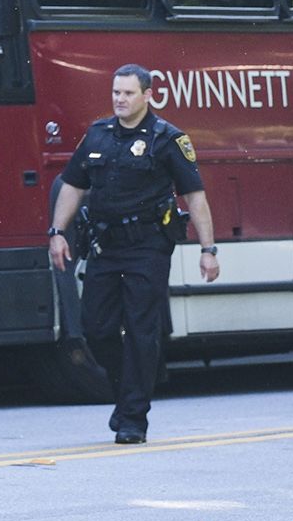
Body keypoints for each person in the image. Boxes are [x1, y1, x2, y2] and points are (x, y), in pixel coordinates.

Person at [47, 64, 218, 444]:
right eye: (115, 93)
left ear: (147, 96)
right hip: (106, 248)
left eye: (127, 93)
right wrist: (58, 232)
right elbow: (72, 186)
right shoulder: (97, 136)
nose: (120, 100)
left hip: (148, 248)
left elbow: (195, 196)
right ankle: (128, 392)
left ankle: (133, 419)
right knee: (95, 327)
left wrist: (208, 250)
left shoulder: (167, 139)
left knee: (142, 330)